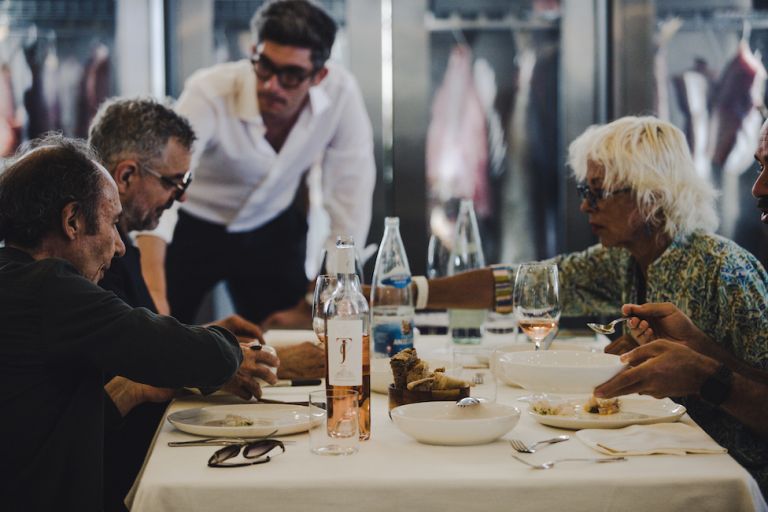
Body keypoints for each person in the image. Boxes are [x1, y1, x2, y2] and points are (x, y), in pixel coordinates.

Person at [88, 96, 324, 511]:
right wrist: (253, 360)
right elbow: (119, 378)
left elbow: (141, 344)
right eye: (173, 182)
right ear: (126, 175)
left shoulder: (125, 243)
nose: (180, 198)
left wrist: (204, 337)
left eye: (187, 182)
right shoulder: (91, 256)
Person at [0, 136, 245, 511]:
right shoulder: (50, 289)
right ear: (72, 220)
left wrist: (131, 391)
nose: (120, 246)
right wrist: (226, 343)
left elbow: (43, 428)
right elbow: (199, 356)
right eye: (113, 224)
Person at [136, 0, 376, 325]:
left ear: (319, 75)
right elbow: (159, 183)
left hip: (270, 226)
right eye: (264, 66)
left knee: (289, 336)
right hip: (190, 225)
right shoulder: (209, 92)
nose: (270, 85)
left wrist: (316, 299)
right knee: (157, 329)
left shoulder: (341, 96)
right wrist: (151, 285)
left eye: (291, 75)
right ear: (253, 51)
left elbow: (350, 201)